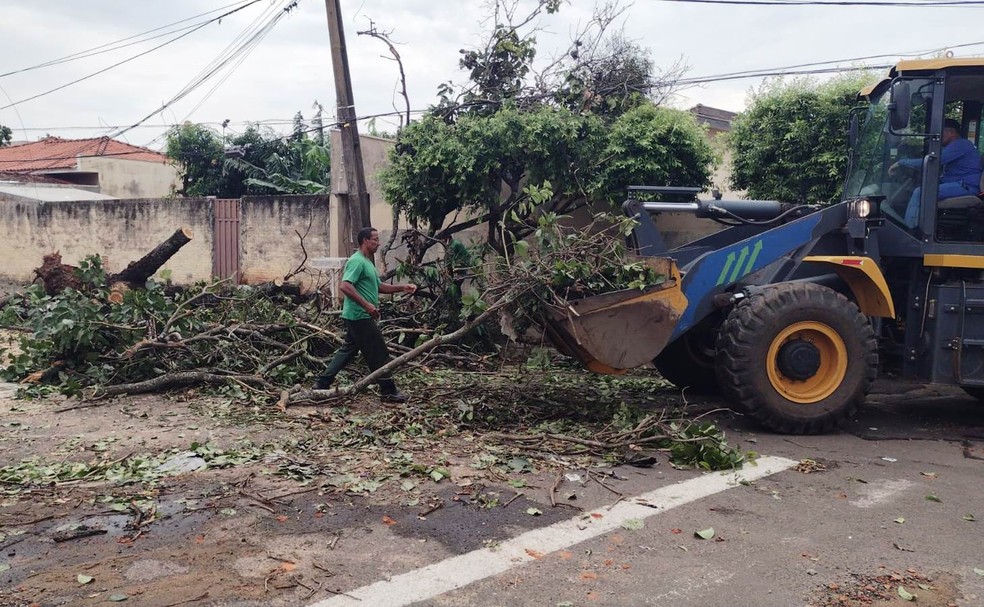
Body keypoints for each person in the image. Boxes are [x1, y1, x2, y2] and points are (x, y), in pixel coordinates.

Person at [313, 227, 417, 402]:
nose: (378, 242)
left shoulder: (368, 262)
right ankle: (388, 390)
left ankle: (322, 383)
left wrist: (402, 287)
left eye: (378, 239)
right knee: (379, 352)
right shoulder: (357, 261)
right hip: (358, 315)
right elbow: (345, 286)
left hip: (358, 315)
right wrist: (367, 305)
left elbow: (380, 287)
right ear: (365, 241)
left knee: (348, 350)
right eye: (375, 239)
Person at [892, 118, 982, 228]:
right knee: (919, 187)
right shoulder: (957, 145)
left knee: (920, 192)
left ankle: (910, 229)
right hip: (959, 183)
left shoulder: (960, 145)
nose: (938, 136)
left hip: (966, 185)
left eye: (941, 131)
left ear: (951, 132)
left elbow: (934, 161)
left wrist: (902, 162)